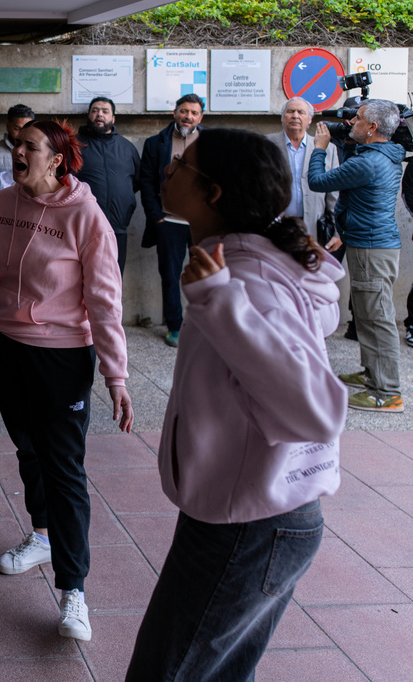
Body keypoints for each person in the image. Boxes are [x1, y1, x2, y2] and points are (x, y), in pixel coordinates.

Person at [125, 129, 347, 680]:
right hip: (254, 513)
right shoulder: (246, 263)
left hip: (250, 523)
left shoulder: (246, 281)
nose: (169, 170)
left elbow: (315, 410)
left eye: (182, 167)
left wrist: (223, 301)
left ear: (215, 194)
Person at [0, 120, 133, 642]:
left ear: (57, 159)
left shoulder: (87, 217)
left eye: (30, 146)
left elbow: (105, 302)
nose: (17, 151)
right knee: (28, 448)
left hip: (61, 357)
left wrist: (116, 374)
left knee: (64, 466)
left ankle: (75, 592)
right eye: (15, 144)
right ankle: (43, 536)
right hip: (3, 348)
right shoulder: (4, 201)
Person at [308, 99, 405, 413]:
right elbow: (355, 174)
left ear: (373, 127)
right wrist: (347, 140)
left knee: (377, 318)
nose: (353, 122)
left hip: (372, 248)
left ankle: (387, 392)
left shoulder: (369, 162)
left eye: (359, 119)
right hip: (371, 243)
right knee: (367, 314)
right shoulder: (380, 154)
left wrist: (321, 147)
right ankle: (371, 374)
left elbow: (317, 182)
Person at [140, 93, 205, 347]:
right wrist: (156, 217)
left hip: (202, 225)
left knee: (205, 277)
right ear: (175, 112)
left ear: (201, 117)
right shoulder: (156, 143)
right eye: (184, 111)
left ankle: (203, 325)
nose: (188, 116)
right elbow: (146, 182)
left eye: (194, 112)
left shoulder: (211, 143)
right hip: (169, 223)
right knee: (170, 276)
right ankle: (175, 327)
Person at [74, 96, 141, 274]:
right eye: (95, 110)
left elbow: (135, 182)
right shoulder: (75, 145)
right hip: (84, 229)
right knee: (84, 278)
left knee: (115, 279)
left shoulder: (127, 148)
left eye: (105, 111)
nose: (99, 115)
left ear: (113, 118)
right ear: (88, 115)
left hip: (117, 228)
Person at [266, 97, 340, 255]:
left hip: (313, 229)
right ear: (282, 117)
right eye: (290, 111)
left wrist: (338, 232)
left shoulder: (328, 148)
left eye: (301, 112)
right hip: (276, 228)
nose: (295, 116)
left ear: (310, 120)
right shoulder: (266, 144)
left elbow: (334, 194)